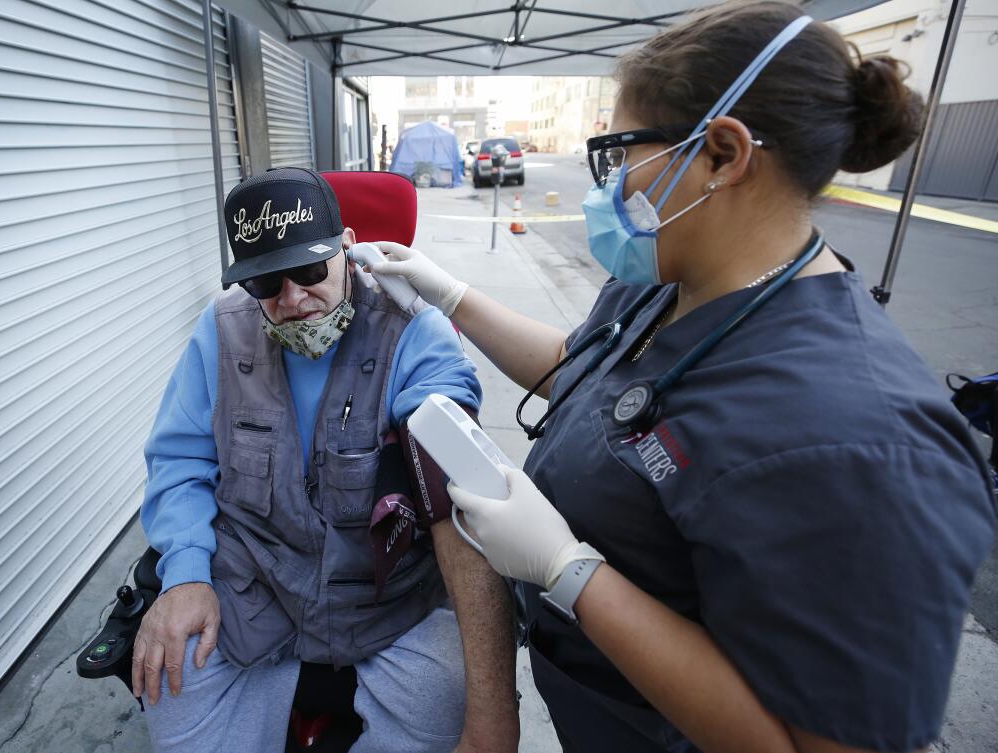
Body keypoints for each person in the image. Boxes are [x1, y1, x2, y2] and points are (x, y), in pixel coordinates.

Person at [365, 4, 998, 753]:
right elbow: (588, 365)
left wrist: (570, 573)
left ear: (723, 155)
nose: (609, 183)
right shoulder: (675, 275)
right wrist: (452, 296)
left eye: (621, 151)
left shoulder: (859, 440)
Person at [131, 167, 518, 753]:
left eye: (311, 271)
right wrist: (184, 574)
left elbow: (452, 461)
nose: (292, 299)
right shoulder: (221, 330)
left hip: (388, 604)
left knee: (451, 693)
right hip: (253, 587)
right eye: (266, 282)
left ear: (347, 248)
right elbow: (180, 459)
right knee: (172, 681)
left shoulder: (412, 329)